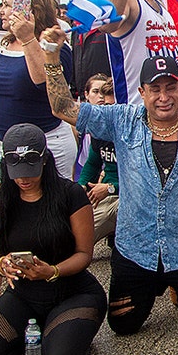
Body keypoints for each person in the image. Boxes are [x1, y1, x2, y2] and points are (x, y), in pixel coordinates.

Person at [42, 36, 178, 338]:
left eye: (170, 87)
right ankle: (156, 284)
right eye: (155, 89)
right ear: (142, 92)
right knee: (123, 327)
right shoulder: (122, 120)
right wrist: (52, 56)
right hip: (135, 249)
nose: (163, 96)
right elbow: (63, 108)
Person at [0, 0, 76, 321]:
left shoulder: (54, 43)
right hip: (1, 145)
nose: (5, 10)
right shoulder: (2, 44)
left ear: (32, 7)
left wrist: (29, 38)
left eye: (12, 4)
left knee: (53, 213)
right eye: (5, 4)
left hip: (46, 142)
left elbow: (43, 80)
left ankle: (56, 278)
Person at [0, 124, 105, 355]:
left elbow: (84, 254)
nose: (23, 179)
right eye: (16, 172)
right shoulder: (1, 201)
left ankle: (65, 330)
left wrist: (51, 271)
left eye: (30, 171)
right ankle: (44, 328)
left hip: (72, 291)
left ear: (44, 161)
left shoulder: (70, 194)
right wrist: (3, 265)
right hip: (25, 294)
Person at [77, 74, 119, 249]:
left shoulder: (135, 131)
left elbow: (145, 180)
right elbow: (92, 164)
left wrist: (110, 188)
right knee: (72, 242)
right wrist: (79, 189)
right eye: (106, 107)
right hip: (104, 196)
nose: (109, 113)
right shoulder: (101, 130)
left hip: (129, 197)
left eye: (114, 107)